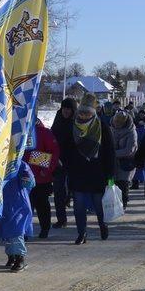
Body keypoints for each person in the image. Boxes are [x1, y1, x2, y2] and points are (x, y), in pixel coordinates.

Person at [57, 93, 115, 244]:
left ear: (93, 113)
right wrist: (65, 166)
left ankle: (103, 224)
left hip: (98, 173)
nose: (83, 117)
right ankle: (81, 232)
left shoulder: (102, 127)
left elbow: (110, 152)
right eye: (81, 113)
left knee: (98, 204)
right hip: (78, 173)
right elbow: (66, 150)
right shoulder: (73, 127)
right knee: (79, 205)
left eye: (87, 113)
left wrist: (110, 174)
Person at [0, 161, 35, 272]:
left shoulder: (21, 164)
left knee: (16, 230)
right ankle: (11, 255)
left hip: (18, 203)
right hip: (2, 203)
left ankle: (20, 257)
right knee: (5, 231)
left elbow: (30, 183)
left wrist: (27, 177)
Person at [22, 115, 60, 239]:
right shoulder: (18, 131)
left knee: (41, 205)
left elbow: (53, 152)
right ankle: (25, 230)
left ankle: (45, 228)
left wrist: (46, 169)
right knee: (25, 205)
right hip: (22, 177)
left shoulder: (43, 132)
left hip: (40, 177)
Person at [50, 98, 77, 228]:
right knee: (58, 191)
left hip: (73, 162)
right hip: (58, 162)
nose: (66, 111)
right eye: (64, 109)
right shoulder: (57, 121)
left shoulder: (77, 123)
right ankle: (62, 219)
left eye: (68, 109)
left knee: (76, 191)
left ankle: (80, 220)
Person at [110, 110, 137, 208]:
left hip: (126, 162)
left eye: (119, 124)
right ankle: (116, 203)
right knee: (115, 184)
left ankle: (123, 204)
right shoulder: (111, 130)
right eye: (116, 124)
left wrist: (113, 153)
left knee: (123, 183)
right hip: (114, 162)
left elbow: (129, 150)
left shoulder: (131, 132)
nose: (117, 126)